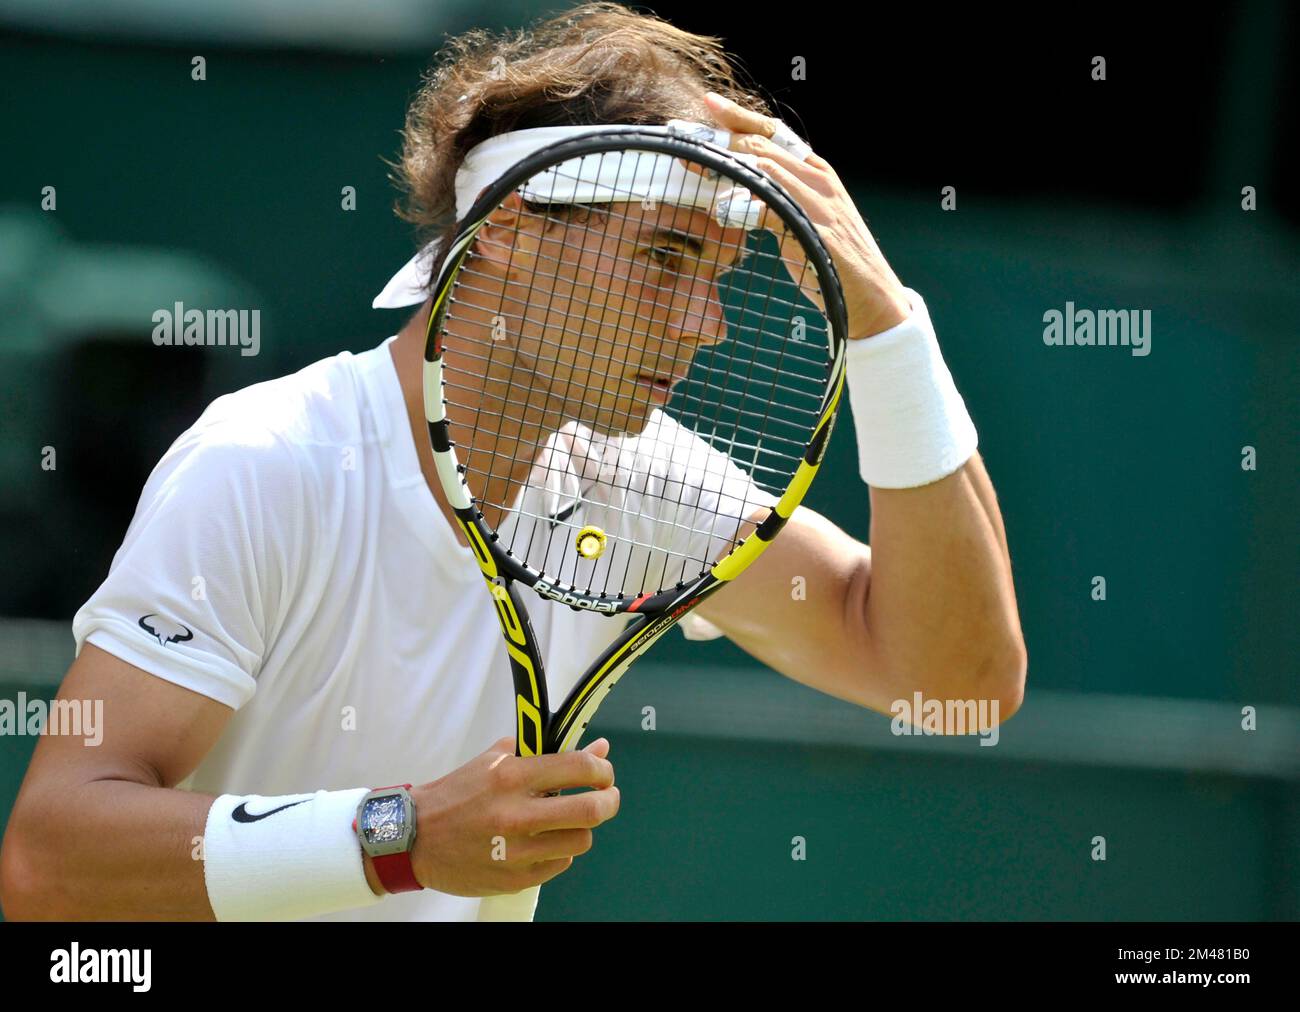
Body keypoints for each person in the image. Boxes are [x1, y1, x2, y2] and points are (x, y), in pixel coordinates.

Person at [0, 3, 1025, 922]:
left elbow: (959, 681)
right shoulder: (268, 462)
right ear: (510, 235)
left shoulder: (636, 484)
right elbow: (48, 861)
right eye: (664, 256)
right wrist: (403, 839)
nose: (705, 324)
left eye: (718, 273)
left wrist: (890, 327)